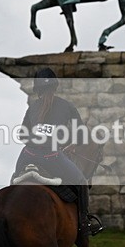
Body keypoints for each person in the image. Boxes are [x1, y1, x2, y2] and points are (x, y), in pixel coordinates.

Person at [14, 68, 101, 236]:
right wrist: (71, 144)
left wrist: (36, 140)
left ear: (37, 89)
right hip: (52, 157)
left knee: (14, 179)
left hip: (27, 155)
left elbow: (22, 135)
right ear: (55, 86)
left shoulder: (32, 107)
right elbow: (82, 135)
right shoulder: (67, 106)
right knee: (81, 182)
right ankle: (85, 224)